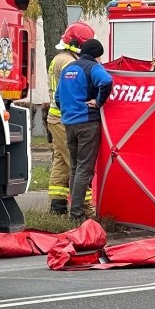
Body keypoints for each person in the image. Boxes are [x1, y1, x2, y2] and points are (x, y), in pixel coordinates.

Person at [55, 39, 114, 221]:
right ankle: (77, 214)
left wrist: (69, 111)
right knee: (84, 170)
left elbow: (58, 97)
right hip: (87, 123)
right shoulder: (93, 67)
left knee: (74, 168)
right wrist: (98, 101)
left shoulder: (68, 69)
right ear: (97, 54)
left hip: (69, 123)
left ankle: (74, 212)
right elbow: (106, 81)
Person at [46, 22, 94, 216]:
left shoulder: (59, 58)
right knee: (78, 164)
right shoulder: (69, 63)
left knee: (61, 162)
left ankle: (57, 207)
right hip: (66, 119)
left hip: (55, 118)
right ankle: (85, 209)